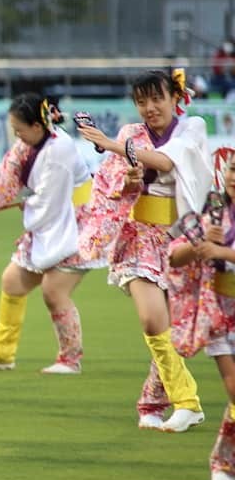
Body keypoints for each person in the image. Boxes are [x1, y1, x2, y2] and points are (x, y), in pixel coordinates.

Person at [77, 67, 209, 432]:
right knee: (153, 319)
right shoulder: (130, 133)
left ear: (174, 98)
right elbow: (113, 180)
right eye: (141, 101)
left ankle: (152, 401)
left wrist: (109, 143)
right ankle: (187, 402)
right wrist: (128, 179)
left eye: (156, 98)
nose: (149, 108)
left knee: (171, 327)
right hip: (139, 237)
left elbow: (168, 162)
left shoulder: (191, 127)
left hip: (179, 236)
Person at [0, 94, 98, 374]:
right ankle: (2, 353)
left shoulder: (60, 149)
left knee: (54, 290)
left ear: (38, 126)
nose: (17, 135)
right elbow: (3, 180)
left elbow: (50, 201)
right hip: (50, 219)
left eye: (19, 129)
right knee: (12, 281)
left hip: (76, 222)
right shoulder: (25, 145)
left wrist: (24, 208)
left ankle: (70, 359)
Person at [167, 151, 235, 480]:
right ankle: (223, 464)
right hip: (221, 311)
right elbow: (175, 257)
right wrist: (200, 246)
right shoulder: (214, 213)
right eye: (233, 168)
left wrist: (222, 252)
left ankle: (224, 462)